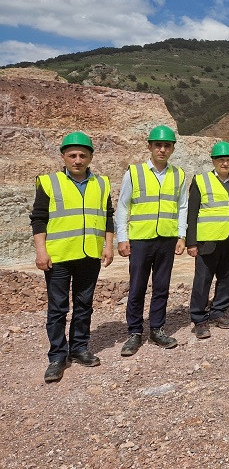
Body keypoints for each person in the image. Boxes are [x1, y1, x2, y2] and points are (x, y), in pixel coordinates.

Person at [30, 132, 114, 383]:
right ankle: (57, 356)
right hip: (59, 256)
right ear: (63, 156)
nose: (77, 160)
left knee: (84, 304)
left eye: (82, 155)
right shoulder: (49, 182)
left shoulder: (102, 183)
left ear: (90, 157)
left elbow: (107, 216)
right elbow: (38, 219)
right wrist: (41, 251)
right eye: (72, 155)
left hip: (89, 254)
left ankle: (79, 348)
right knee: (57, 308)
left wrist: (108, 245)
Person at [116, 125, 187, 356]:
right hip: (141, 240)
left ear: (173, 148)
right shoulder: (134, 173)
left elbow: (182, 206)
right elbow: (123, 207)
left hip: (166, 239)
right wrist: (122, 238)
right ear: (150, 146)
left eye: (167, 145)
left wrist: (181, 235)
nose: (162, 149)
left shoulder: (179, 175)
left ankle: (157, 328)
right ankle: (134, 332)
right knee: (137, 287)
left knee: (161, 287)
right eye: (158, 145)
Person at [187, 141, 229, 339]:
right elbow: (192, 212)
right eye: (221, 159)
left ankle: (219, 312)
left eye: (228, 159)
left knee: (227, 278)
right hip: (208, 239)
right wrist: (191, 242)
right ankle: (199, 318)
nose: (225, 163)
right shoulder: (201, 181)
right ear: (213, 161)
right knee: (203, 279)